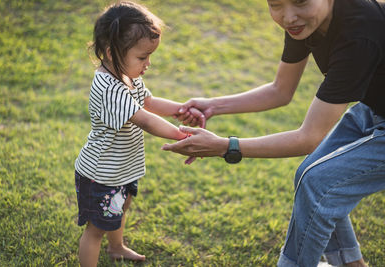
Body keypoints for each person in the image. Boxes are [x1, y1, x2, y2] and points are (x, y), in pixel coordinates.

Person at [162, 0, 385, 266]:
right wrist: (213, 105)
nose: (287, 16)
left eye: (300, 1)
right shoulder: (305, 22)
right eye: (275, 4)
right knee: (311, 175)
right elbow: (281, 89)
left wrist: (226, 146)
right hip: (373, 108)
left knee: (318, 182)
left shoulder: (359, 32)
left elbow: (309, 138)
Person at [74, 2, 204, 266]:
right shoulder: (109, 88)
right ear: (111, 53)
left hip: (123, 168)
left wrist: (182, 108)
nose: (148, 64)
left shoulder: (127, 76)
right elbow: (145, 119)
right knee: (95, 229)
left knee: (120, 209)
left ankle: (117, 247)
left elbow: (149, 103)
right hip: (101, 175)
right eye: (142, 57)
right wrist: (182, 136)